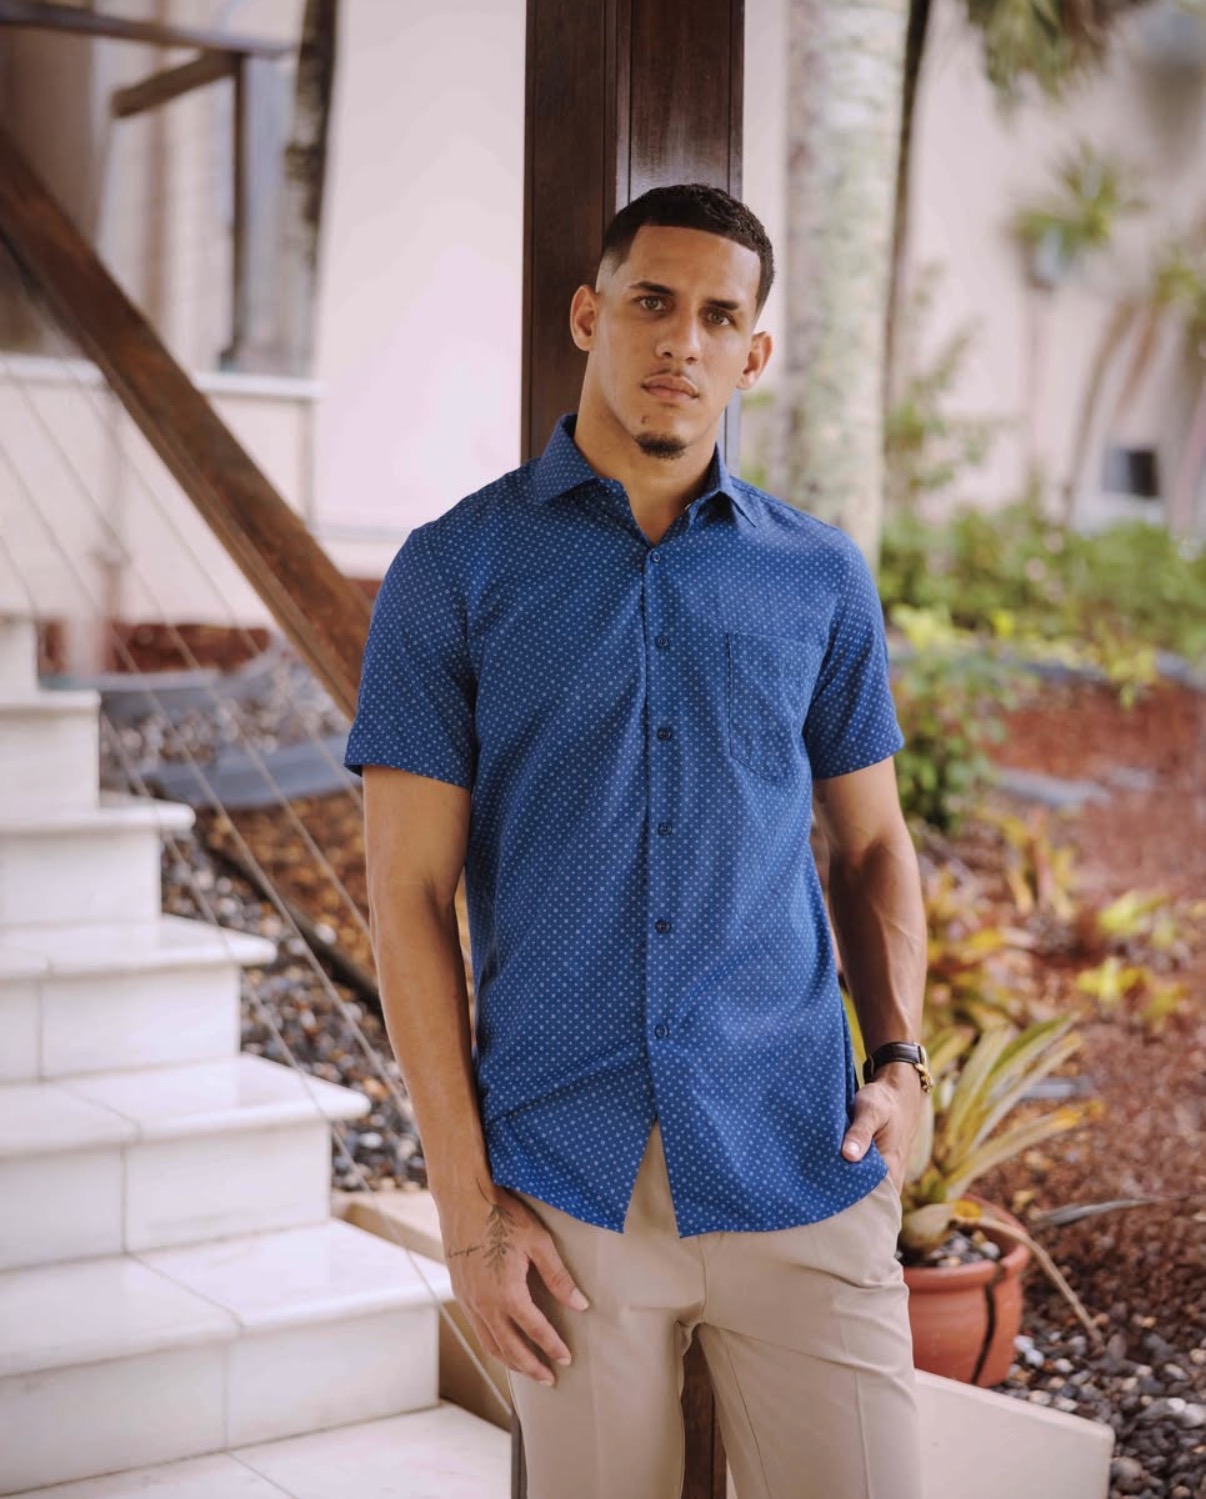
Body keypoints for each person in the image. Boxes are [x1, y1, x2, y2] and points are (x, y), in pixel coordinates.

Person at [344, 182, 928, 1499]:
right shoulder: (455, 570)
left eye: (718, 317)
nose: (681, 341)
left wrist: (901, 1063)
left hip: (802, 1158)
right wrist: (466, 1213)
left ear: (753, 354)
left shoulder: (818, 577)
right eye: (652, 302)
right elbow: (407, 896)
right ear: (588, 314)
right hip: (568, 1191)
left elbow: (873, 846)